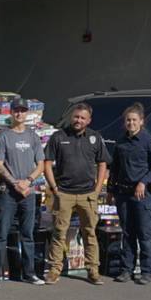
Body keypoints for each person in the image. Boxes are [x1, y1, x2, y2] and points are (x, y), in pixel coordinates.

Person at [43, 102, 110, 285]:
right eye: (76, 116)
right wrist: (54, 188)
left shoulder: (95, 138)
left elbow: (103, 163)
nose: (78, 120)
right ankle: (54, 270)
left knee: (89, 233)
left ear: (89, 120)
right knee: (59, 233)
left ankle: (93, 271)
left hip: (88, 194)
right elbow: (47, 163)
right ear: (71, 117)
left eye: (82, 118)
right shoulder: (59, 136)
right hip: (63, 193)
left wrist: (97, 188)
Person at [0, 97, 46, 287]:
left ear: (27, 113)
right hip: (8, 193)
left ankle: (30, 273)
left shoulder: (33, 136)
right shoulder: (3, 136)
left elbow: (41, 164)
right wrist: (14, 183)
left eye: (23, 110)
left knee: (27, 234)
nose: (19, 113)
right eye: (16, 110)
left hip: (28, 192)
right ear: (11, 113)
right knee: (1, 233)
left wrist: (27, 181)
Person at [108, 102, 151, 284]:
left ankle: (147, 271)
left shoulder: (148, 141)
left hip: (142, 195)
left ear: (141, 121)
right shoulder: (121, 141)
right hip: (123, 194)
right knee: (127, 234)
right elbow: (114, 167)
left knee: (144, 234)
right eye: (128, 120)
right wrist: (110, 189)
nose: (131, 123)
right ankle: (126, 270)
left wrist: (143, 182)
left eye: (134, 120)